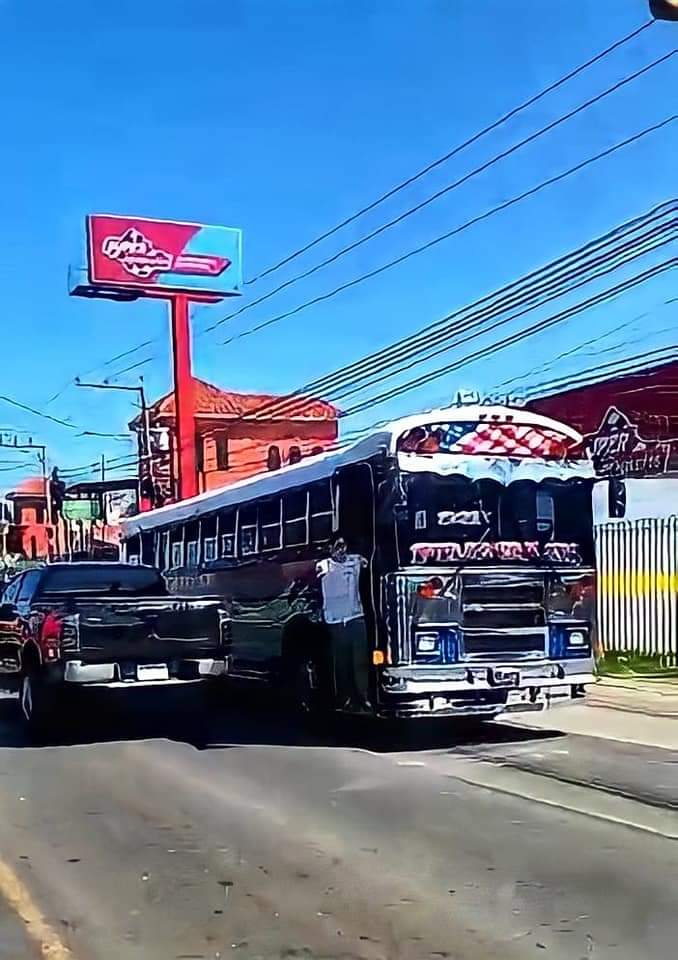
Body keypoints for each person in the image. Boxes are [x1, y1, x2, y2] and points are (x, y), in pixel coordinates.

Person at [316, 538, 370, 712]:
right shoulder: (325, 565)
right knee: (341, 661)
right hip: (336, 619)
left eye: (343, 545)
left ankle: (363, 697)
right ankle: (345, 698)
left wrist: (359, 560)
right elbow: (316, 572)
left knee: (360, 660)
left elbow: (365, 563)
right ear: (330, 548)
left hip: (355, 616)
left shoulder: (354, 561)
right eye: (337, 546)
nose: (341, 550)